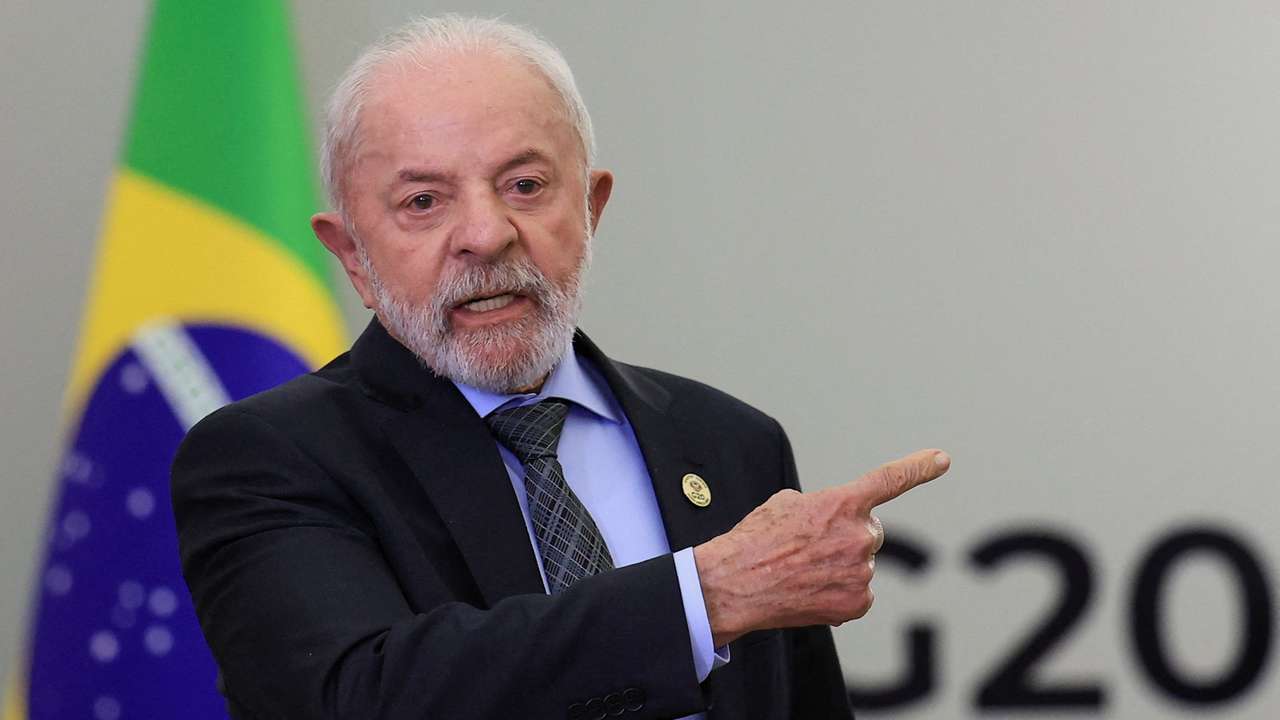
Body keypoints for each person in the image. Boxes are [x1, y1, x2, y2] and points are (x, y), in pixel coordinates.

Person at [171, 15, 950, 720]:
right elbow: (356, 697)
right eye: (422, 202)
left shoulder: (730, 442)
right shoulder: (268, 457)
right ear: (352, 255)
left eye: (525, 185)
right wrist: (705, 598)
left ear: (591, 207)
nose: (486, 234)